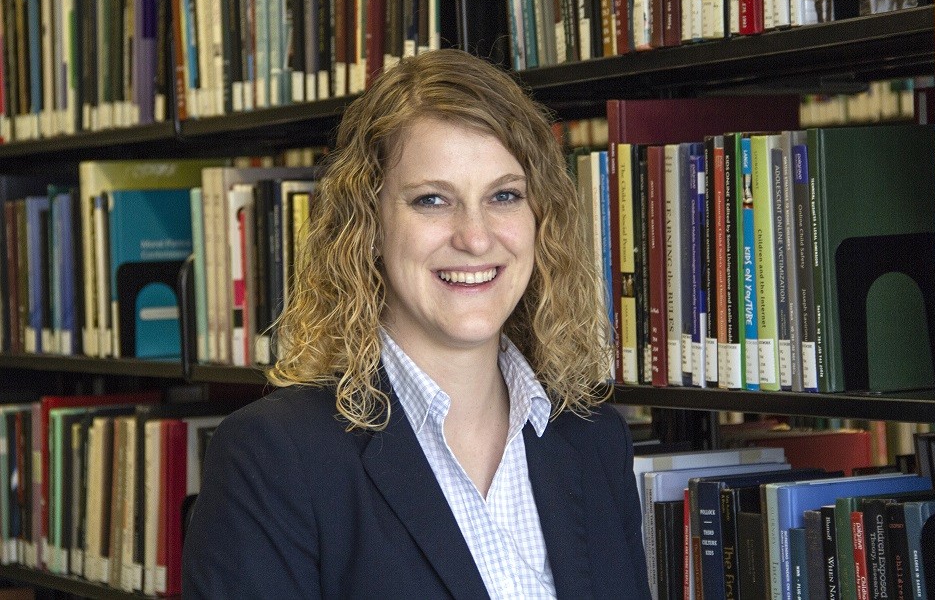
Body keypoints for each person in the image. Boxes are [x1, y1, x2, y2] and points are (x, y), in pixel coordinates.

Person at [181, 49, 652, 599]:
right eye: (432, 200)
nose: (475, 237)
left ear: (539, 217)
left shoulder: (594, 439)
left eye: (504, 195)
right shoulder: (272, 458)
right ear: (369, 226)